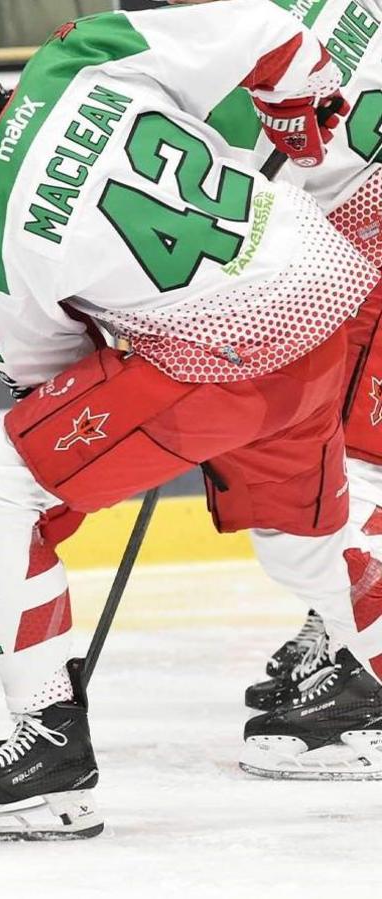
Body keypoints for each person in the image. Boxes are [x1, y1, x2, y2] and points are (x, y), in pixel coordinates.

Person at [0, 5, 382, 840]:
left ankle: (50, 750)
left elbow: (51, 385)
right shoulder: (80, 52)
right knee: (306, 545)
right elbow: (263, 31)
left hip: (224, 359)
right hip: (320, 293)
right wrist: (296, 105)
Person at [158, 0, 382, 725]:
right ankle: (340, 627)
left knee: (354, 472)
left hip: (366, 252)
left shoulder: (233, 55)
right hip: (358, 251)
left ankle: (366, 667)